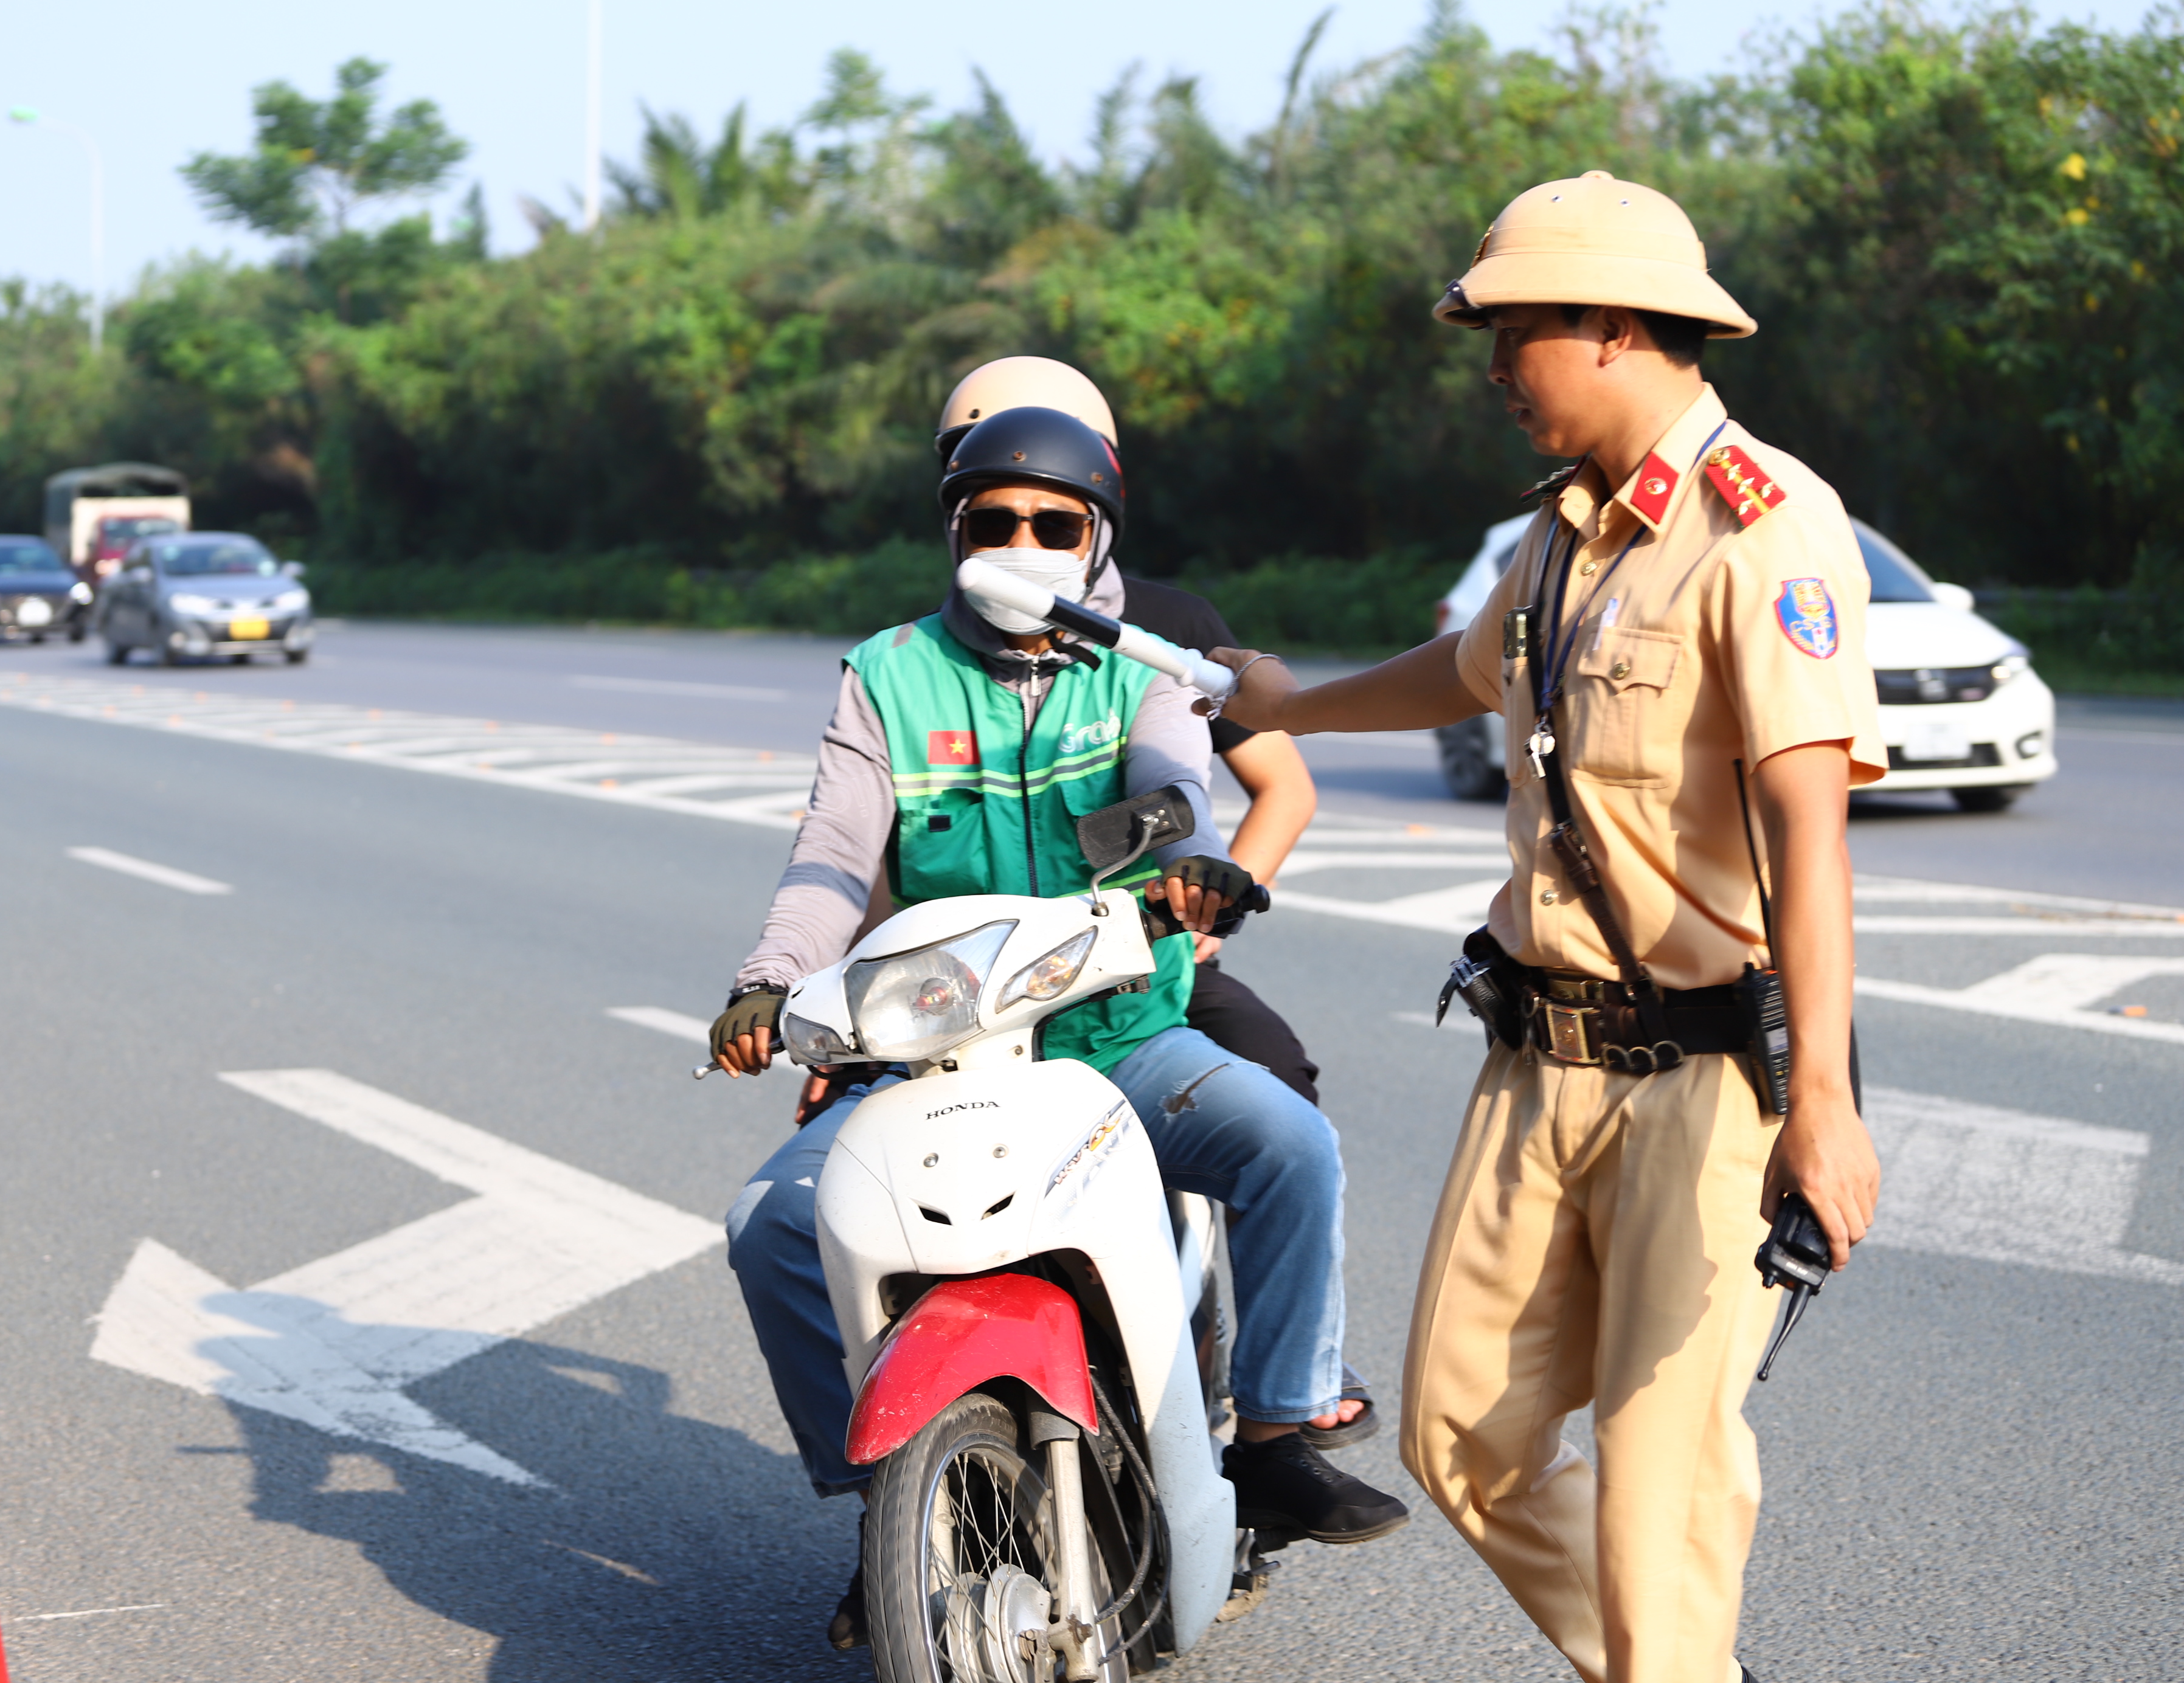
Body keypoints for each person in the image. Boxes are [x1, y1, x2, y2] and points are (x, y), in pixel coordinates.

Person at [1209, 171, 1885, 1683]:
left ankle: (1670, 1663)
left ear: (1605, 322)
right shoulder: (1567, 534)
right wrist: (1290, 702)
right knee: (1465, 1431)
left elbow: (1808, 831)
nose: (1494, 367)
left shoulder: (1760, 529)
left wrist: (1823, 1104)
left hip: (1705, 1083)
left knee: (1660, 1494)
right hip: (1537, 1055)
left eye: (1512, 332)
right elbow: (1463, 673)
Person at [711, 400, 1409, 1650]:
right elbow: (830, 853)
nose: (1020, 539)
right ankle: (888, 1500)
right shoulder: (886, 673)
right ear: (953, 530)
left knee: (1287, 1144)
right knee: (770, 1225)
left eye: (1051, 520)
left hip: (1118, 1040)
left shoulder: (1142, 663)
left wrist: (1197, 863)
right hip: (934, 1054)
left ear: (1097, 536)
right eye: (993, 519)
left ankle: (1278, 1431)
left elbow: (1171, 780)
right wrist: (770, 978)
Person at [931, 357, 1327, 1105]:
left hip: (1135, 963)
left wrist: (1206, 916)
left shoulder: (1166, 631)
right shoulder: (928, 644)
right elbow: (883, 835)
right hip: (962, 983)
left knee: (1278, 1090)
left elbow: (1282, 787)